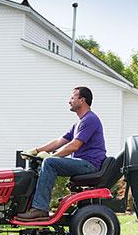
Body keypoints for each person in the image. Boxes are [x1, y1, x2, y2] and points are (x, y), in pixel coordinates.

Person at [16, 86, 106, 221]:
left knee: (50, 163)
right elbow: (59, 141)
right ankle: (30, 206)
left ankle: (40, 209)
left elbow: (74, 146)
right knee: (46, 162)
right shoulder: (79, 123)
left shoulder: (90, 119)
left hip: (90, 164)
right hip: (82, 162)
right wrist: (36, 151)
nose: (69, 101)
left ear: (82, 100)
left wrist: (52, 157)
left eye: (72, 97)